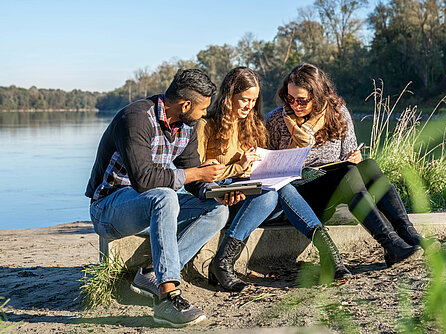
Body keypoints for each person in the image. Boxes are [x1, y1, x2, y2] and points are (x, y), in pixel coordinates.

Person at [85, 69, 233, 328]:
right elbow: (144, 181)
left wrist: (216, 190)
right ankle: (167, 298)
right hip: (109, 209)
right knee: (164, 196)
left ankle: (153, 273)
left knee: (217, 211)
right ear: (185, 105)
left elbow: (194, 178)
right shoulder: (136, 119)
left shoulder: (187, 125)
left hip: (154, 207)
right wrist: (194, 173)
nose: (204, 114)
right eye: (202, 109)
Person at [196, 66, 352, 292]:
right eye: (244, 100)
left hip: (258, 198)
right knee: (270, 193)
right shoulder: (207, 125)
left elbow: (265, 165)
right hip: (227, 200)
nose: (249, 106)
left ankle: (222, 263)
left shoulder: (255, 126)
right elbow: (198, 177)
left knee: (277, 188)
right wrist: (237, 168)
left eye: (254, 100)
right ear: (229, 96)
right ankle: (330, 256)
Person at [266, 63, 423, 267]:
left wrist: (354, 158)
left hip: (338, 188)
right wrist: (295, 143)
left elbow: (349, 155)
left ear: (318, 95)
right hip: (300, 195)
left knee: (369, 167)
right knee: (348, 173)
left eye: (302, 100)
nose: (295, 105)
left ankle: (408, 234)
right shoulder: (277, 119)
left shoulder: (338, 112)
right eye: (290, 98)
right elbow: (268, 168)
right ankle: (391, 244)